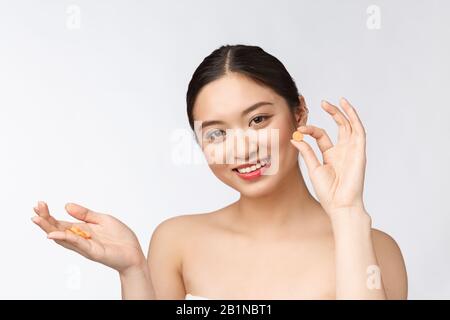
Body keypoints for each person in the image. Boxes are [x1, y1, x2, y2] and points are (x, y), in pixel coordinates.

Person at [32, 44, 407, 300]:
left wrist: (346, 213)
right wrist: (133, 270)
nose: (242, 148)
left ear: (299, 113)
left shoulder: (376, 249)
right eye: (217, 133)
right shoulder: (177, 240)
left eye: (258, 119)